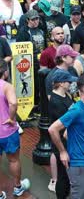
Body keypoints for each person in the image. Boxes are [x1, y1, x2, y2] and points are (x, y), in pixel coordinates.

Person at [48, 74, 84, 199]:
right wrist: (62, 152)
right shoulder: (77, 110)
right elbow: (52, 129)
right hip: (79, 165)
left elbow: (69, 133)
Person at [0, 59, 30, 198]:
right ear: (5, 72)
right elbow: (13, 103)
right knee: (13, 160)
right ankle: (18, 187)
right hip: (7, 131)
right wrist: (11, 118)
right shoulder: (6, 86)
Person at [48, 70, 77, 198]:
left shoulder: (66, 95)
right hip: (62, 142)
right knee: (63, 176)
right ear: (60, 83)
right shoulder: (56, 102)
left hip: (69, 141)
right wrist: (62, 150)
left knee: (66, 176)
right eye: (68, 81)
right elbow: (64, 125)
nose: (71, 83)